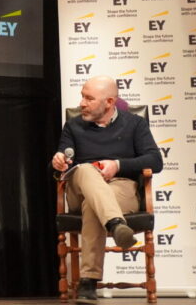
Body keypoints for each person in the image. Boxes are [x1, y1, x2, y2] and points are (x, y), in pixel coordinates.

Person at [51, 76, 163, 305]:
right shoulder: (73, 125)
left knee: (93, 205)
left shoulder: (134, 124)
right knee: (84, 170)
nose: (82, 103)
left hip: (120, 187)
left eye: (89, 98)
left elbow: (155, 160)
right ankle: (115, 224)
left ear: (110, 102)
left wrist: (117, 165)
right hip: (80, 186)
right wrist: (58, 161)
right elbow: (61, 162)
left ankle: (88, 283)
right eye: (82, 96)